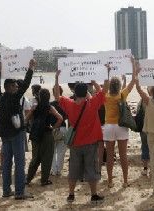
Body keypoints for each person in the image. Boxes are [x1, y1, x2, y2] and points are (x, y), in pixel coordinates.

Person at [54, 67, 109, 204]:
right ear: (86, 93)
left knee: (73, 169)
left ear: (74, 93)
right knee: (91, 168)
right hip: (90, 143)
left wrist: (56, 78)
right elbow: (104, 90)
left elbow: (56, 95)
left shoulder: (69, 104)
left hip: (75, 144)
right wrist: (106, 73)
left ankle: (71, 195)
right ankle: (94, 195)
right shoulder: (92, 104)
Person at [0, 59, 35, 200]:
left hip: (4, 134)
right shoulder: (15, 97)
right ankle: (19, 192)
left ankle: (6, 191)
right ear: (10, 87)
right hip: (17, 133)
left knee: (6, 163)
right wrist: (30, 68)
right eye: (15, 86)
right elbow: (26, 83)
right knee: (19, 163)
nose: (17, 87)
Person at [103, 58, 138, 188]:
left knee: (110, 156)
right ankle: (125, 181)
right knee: (123, 155)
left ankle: (110, 181)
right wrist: (133, 65)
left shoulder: (105, 96)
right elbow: (133, 81)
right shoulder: (122, 95)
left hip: (108, 127)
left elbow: (102, 85)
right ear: (119, 86)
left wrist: (107, 72)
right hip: (121, 126)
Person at [26, 89, 63, 186]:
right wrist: (53, 127)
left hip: (35, 134)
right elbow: (60, 118)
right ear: (48, 97)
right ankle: (44, 180)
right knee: (47, 158)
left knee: (35, 158)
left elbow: (26, 119)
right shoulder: (50, 108)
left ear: (39, 97)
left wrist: (32, 124)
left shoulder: (35, 107)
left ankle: (28, 179)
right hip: (47, 133)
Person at [50, 86, 68, 176]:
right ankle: (59, 170)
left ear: (53, 93)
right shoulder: (66, 104)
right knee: (61, 151)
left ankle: (53, 170)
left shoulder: (50, 105)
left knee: (52, 151)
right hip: (63, 128)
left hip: (53, 128)